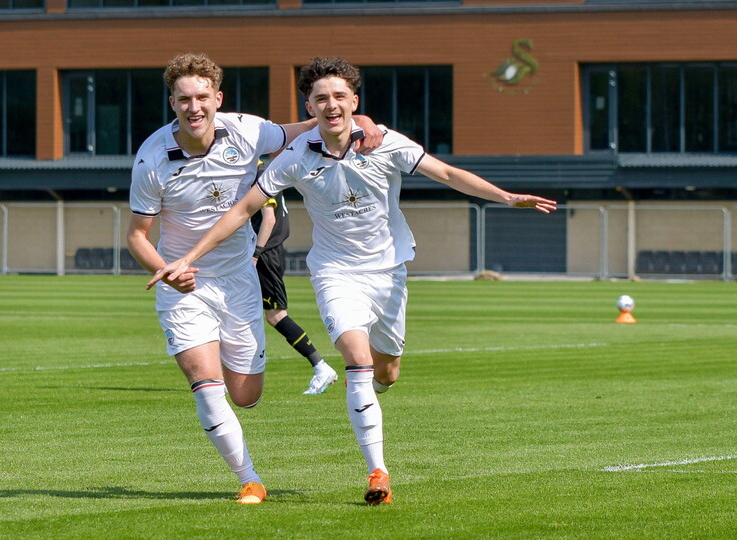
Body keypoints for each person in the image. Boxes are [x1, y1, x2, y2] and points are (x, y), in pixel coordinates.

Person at [148, 56, 558, 505]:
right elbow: (243, 209)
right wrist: (186, 257)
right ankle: (377, 473)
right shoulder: (295, 157)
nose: (331, 105)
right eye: (321, 99)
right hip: (334, 272)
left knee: (387, 371)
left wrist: (504, 196)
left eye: (340, 97)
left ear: (354, 102)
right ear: (310, 106)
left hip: (389, 272)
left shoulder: (384, 142)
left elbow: (445, 172)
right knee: (356, 359)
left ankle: (370, 386)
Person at [128, 53, 382, 505]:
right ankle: (249, 479)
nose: (194, 107)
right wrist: (166, 273)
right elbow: (137, 236)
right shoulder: (151, 158)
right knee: (205, 385)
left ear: (217, 98)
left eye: (202, 97)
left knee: (245, 395)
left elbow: (305, 128)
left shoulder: (246, 129)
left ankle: (233, 392)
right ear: (173, 103)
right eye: (184, 99)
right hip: (184, 285)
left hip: (240, 279)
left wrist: (359, 117)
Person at [250, 162, 337, 395]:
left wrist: (256, 254)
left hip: (266, 254)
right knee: (237, 311)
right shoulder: (263, 170)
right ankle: (232, 375)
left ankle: (321, 366)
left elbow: (268, 218)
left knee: (276, 315)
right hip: (263, 252)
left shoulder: (258, 172)